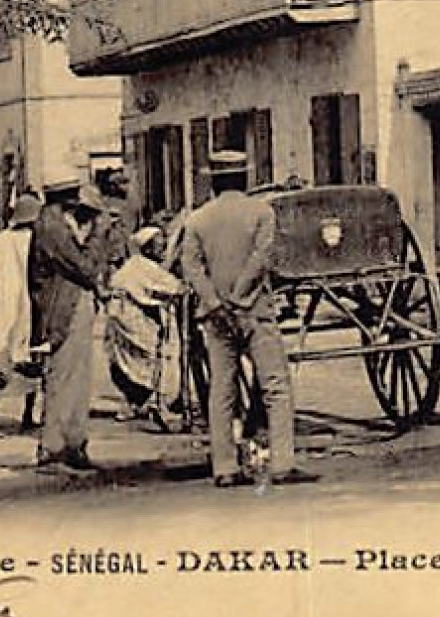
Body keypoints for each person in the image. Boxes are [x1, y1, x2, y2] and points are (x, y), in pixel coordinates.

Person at [180, 151, 315, 488]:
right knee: (275, 386)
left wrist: (216, 303)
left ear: (213, 181)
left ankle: (224, 468)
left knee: (221, 391)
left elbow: (191, 268)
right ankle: (282, 463)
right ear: (245, 179)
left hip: (216, 317)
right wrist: (240, 298)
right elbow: (262, 258)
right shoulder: (261, 212)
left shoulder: (197, 219)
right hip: (254, 310)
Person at [28, 181, 109, 471]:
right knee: (64, 377)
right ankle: (55, 446)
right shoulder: (53, 228)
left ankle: (72, 442)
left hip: (69, 306)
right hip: (63, 310)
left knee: (76, 377)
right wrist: (98, 235)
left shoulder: (56, 225)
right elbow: (85, 268)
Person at [105, 226, 187, 424]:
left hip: (121, 315)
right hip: (130, 317)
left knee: (131, 360)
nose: (162, 249)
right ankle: (153, 401)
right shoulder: (144, 267)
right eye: (158, 245)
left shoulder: (138, 265)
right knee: (151, 356)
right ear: (148, 248)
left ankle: (138, 401)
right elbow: (176, 287)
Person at [0, 194, 42, 432]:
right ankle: (28, 414)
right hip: (30, 305)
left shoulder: (2, 239)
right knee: (31, 360)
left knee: (0, 356)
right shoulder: (35, 239)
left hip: (4, 303)